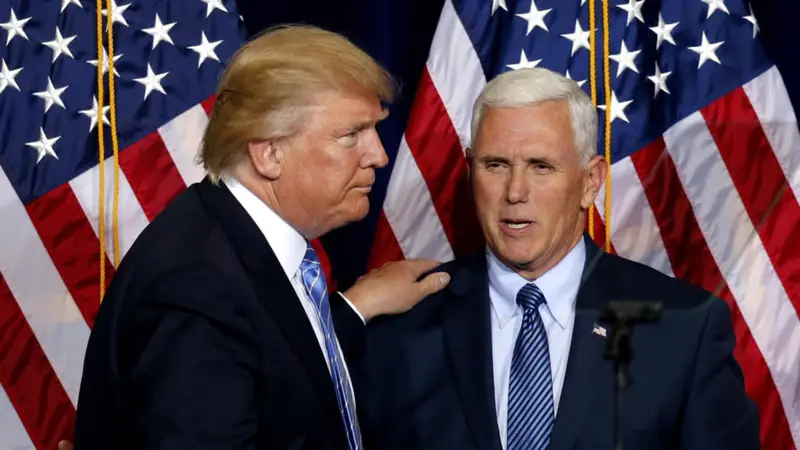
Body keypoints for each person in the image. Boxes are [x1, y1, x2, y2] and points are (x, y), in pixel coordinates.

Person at [72, 25, 450, 450]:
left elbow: (273, 373)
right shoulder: (195, 288)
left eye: (375, 130)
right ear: (269, 154)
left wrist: (352, 310)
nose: (379, 155)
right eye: (351, 136)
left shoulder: (231, 236)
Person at [352, 67, 761, 450]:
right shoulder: (400, 327)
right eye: (496, 165)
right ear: (471, 171)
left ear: (590, 182)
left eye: (541, 166)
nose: (515, 191)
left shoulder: (684, 329)